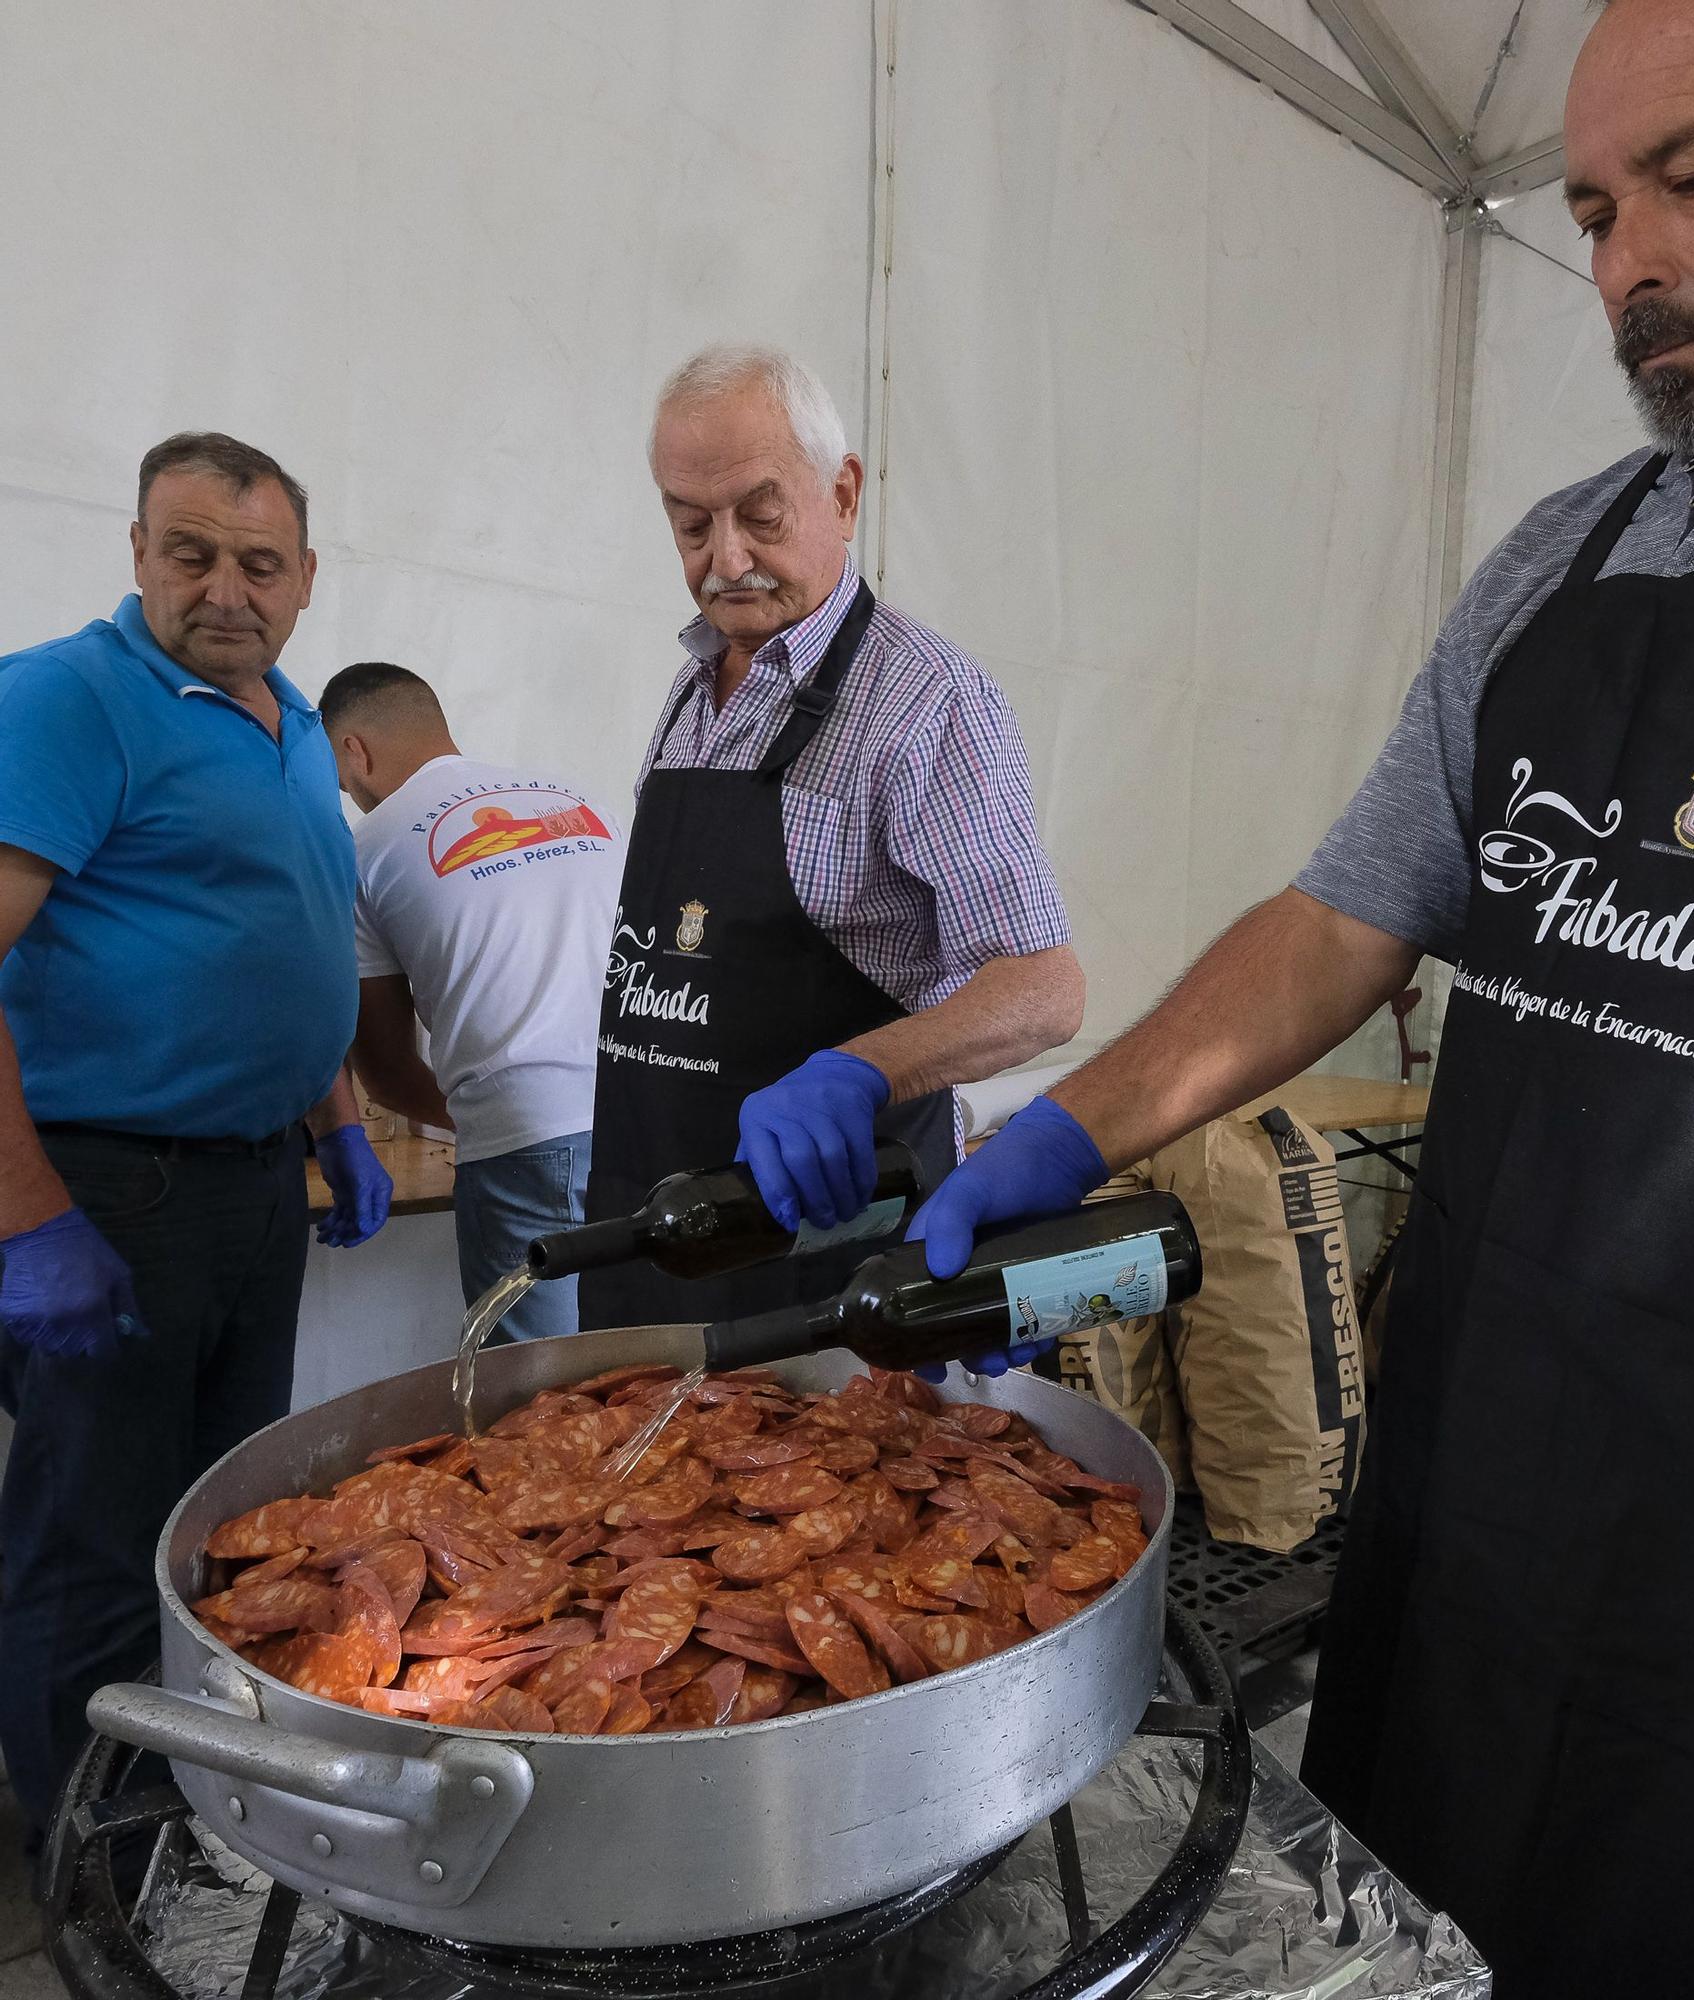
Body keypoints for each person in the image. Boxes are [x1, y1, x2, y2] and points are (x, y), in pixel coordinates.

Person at [910, 0, 1694, 1990]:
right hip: (1483, 1467)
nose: (1625, 267)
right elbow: (1347, 920)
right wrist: (1065, 1131)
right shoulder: (1551, 563)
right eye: (1590, 210)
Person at [0, 432, 390, 1837]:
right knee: (92, 1543)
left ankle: (186, 1813)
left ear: (303, 583)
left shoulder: (287, 723)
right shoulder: (66, 700)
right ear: (138, 555)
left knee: (222, 1526)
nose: (226, 588)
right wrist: (32, 1220)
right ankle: (81, 1850)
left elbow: (280, 949)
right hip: (111, 1188)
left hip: (248, 1189)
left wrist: (336, 1118)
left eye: (259, 563)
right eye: (192, 553)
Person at [586, 342, 1083, 1327]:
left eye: (760, 515)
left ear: (843, 492)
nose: (725, 559)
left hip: (822, 1261)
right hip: (649, 1230)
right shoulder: (693, 687)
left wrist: (862, 1072)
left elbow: (1043, 986)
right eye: (692, 525)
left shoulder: (926, 699)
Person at [321, 662, 624, 1338]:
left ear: (354, 752)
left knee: (540, 1407)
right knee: (653, 1366)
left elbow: (387, 1073)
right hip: (657, 1117)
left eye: (344, 784)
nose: (351, 797)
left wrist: (487, 1122)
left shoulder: (361, 850)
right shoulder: (578, 797)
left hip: (527, 1134)